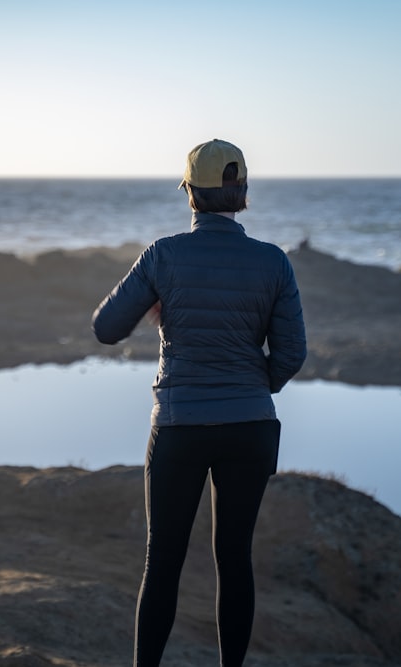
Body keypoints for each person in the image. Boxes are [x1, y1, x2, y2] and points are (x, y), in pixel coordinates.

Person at [92, 139, 307, 667]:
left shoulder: (163, 255)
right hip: (250, 426)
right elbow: (292, 354)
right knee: (235, 559)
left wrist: (157, 305)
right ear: (243, 193)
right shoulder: (272, 262)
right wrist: (257, 386)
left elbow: (106, 329)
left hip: (180, 426)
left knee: (162, 562)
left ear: (190, 193)